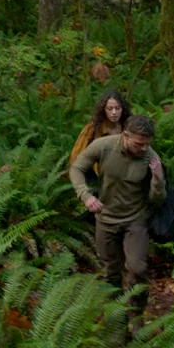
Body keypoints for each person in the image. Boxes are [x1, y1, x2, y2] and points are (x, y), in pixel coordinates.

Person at [68, 113, 165, 291]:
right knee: (110, 271)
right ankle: (114, 307)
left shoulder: (151, 158)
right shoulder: (104, 146)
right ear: (126, 136)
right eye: (139, 144)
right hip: (106, 218)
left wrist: (158, 181)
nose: (144, 148)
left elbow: (157, 202)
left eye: (147, 144)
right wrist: (85, 196)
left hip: (135, 219)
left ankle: (137, 307)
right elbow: (76, 168)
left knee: (137, 269)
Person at [64, 89, 130, 175]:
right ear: (104, 109)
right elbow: (78, 153)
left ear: (122, 109)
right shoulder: (93, 128)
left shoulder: (128, 127)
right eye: (110, 109)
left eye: (117, 108)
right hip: (96, 173)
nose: (114, 112)